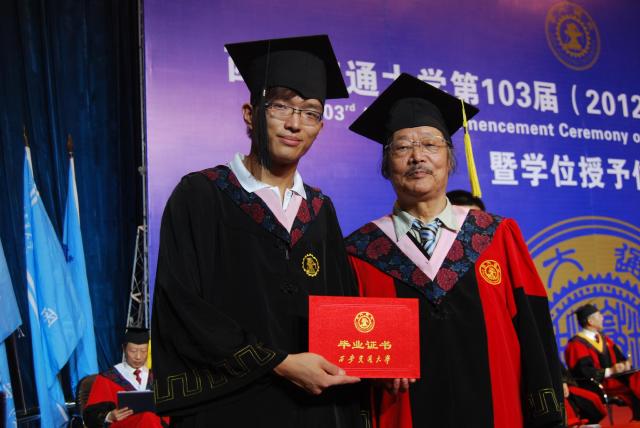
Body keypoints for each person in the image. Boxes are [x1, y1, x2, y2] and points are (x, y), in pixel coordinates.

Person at [151, 35, 365, 427]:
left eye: (311, 112)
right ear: (250, 114)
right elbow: (182, 305)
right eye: (281, 106)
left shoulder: (320, 211)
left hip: (315, 410)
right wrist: (279, 363)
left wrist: (387, 358)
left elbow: (345, 308)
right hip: (229, 408)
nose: (294, 123)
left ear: (320, 127)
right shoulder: (201, 195)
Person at [344, 73, 564, 427]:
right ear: (386, 165)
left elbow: (535, 336)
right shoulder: (360, 252)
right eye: (402, 147)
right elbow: (347, 350)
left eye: (430, 145)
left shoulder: (497, 235)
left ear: (450, 159)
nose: (417, 157)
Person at [565, 303, 640, 420]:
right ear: (590, 321)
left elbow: (620, 358)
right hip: (597, 385)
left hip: (615, 381)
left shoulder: (605, 339)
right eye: (599, 315)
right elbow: (583, 372)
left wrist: (624, 365)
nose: (602, 318)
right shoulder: (576, 344)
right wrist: (610, 371)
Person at [84, 328, 168, 427]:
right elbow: (90, 415)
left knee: (149, 417)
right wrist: (109, 416)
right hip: (122, 424)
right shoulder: (107, 378)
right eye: (133, 351)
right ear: (124, 349)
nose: (138, 357)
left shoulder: (156, 377)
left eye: (143, 351)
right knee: (147, 417)